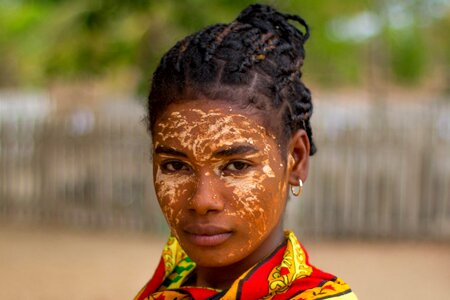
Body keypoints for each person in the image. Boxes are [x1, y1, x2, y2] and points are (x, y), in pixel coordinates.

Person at [135, 3, 357, 300]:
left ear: (295, 160)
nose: (202, 201)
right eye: (175, 166)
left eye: (236, 165)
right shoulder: (167, 282)